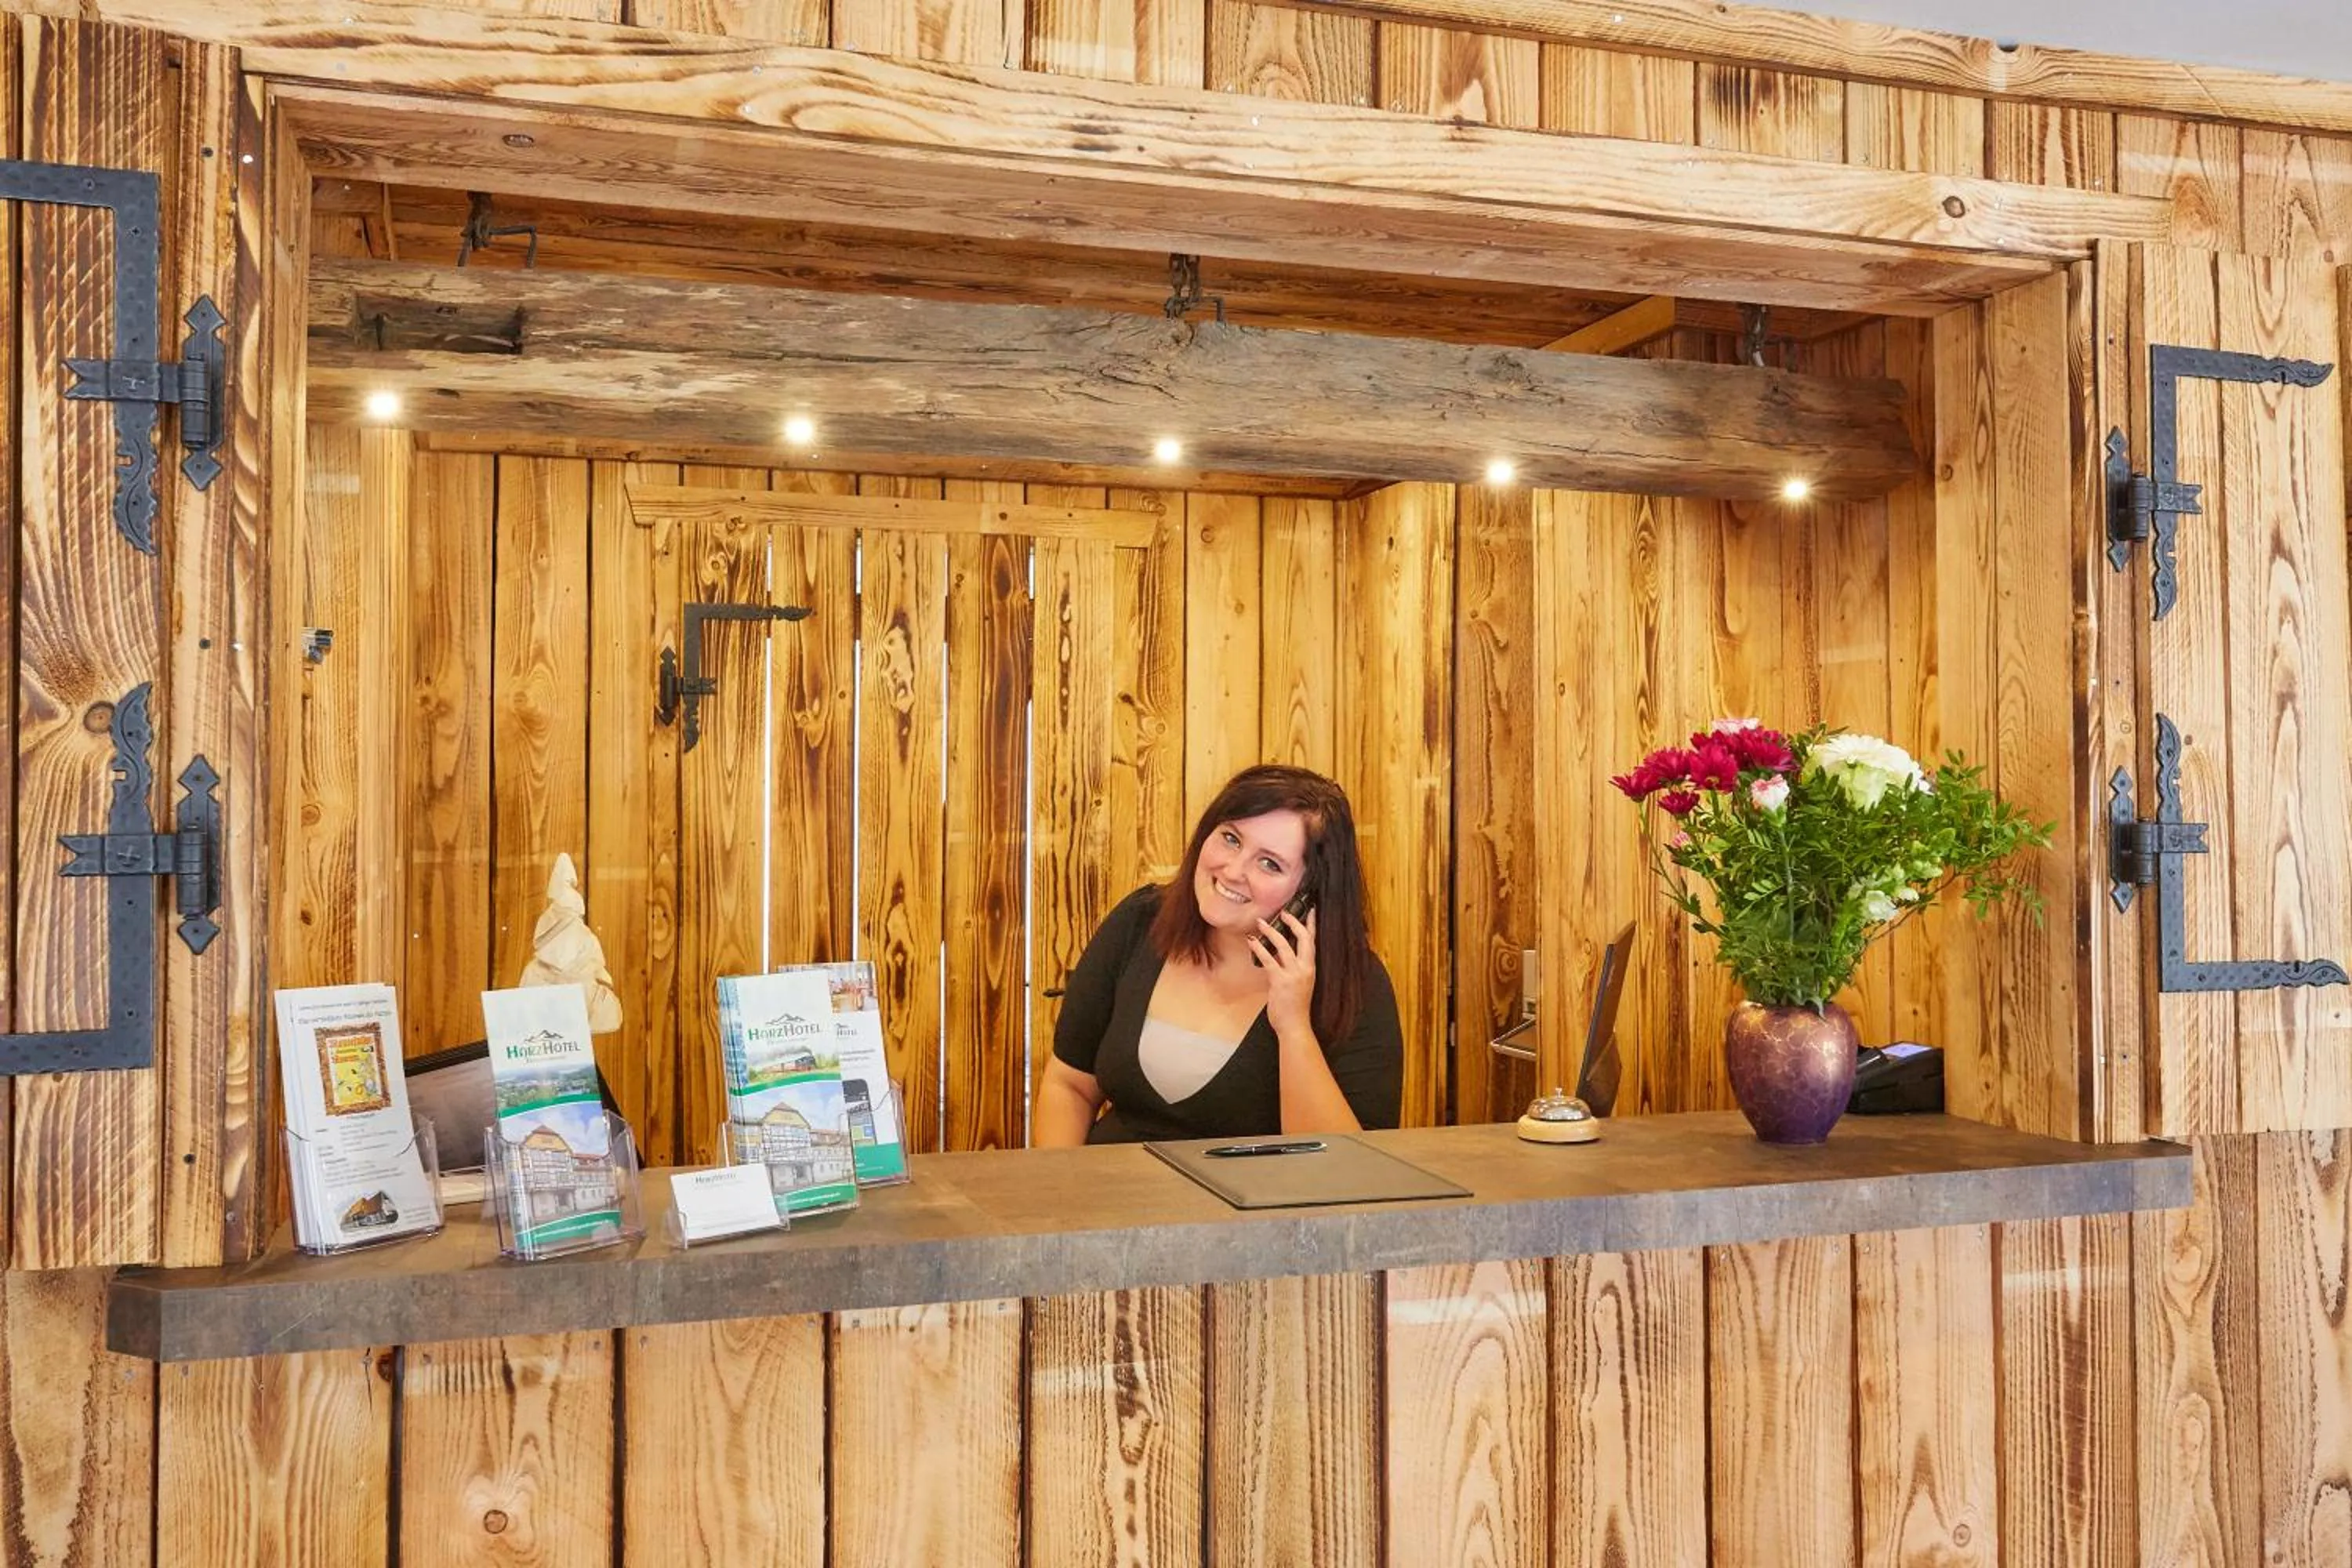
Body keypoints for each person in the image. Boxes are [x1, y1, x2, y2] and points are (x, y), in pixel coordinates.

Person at [1033, 764, 1403, 1145]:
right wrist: (1060, 1194)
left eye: (1269, 863)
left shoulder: (1355, 985)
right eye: (1231, 839)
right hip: (1111, 1196)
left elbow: (1346, 1169)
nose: (1233, 870)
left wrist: (1293, 1025)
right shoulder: (1140, 921)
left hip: (1258, 1205)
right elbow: (1070, 1085)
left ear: (1309, 891)